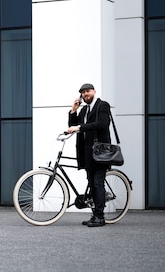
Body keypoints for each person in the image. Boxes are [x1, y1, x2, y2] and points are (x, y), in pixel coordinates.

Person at [67, 83, 111, 227]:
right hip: (87, 153)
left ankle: (100, 217)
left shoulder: (102, 105)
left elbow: (102, 124)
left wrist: (79, 127)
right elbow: (73, 126)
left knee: (98, 183)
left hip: (100, 152)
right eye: (83, 93)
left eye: (88, 91)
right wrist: (74, 110)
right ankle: (94, 215)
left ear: (94, 91)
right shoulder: (84, 110)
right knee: (92, 183)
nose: (85, 94)